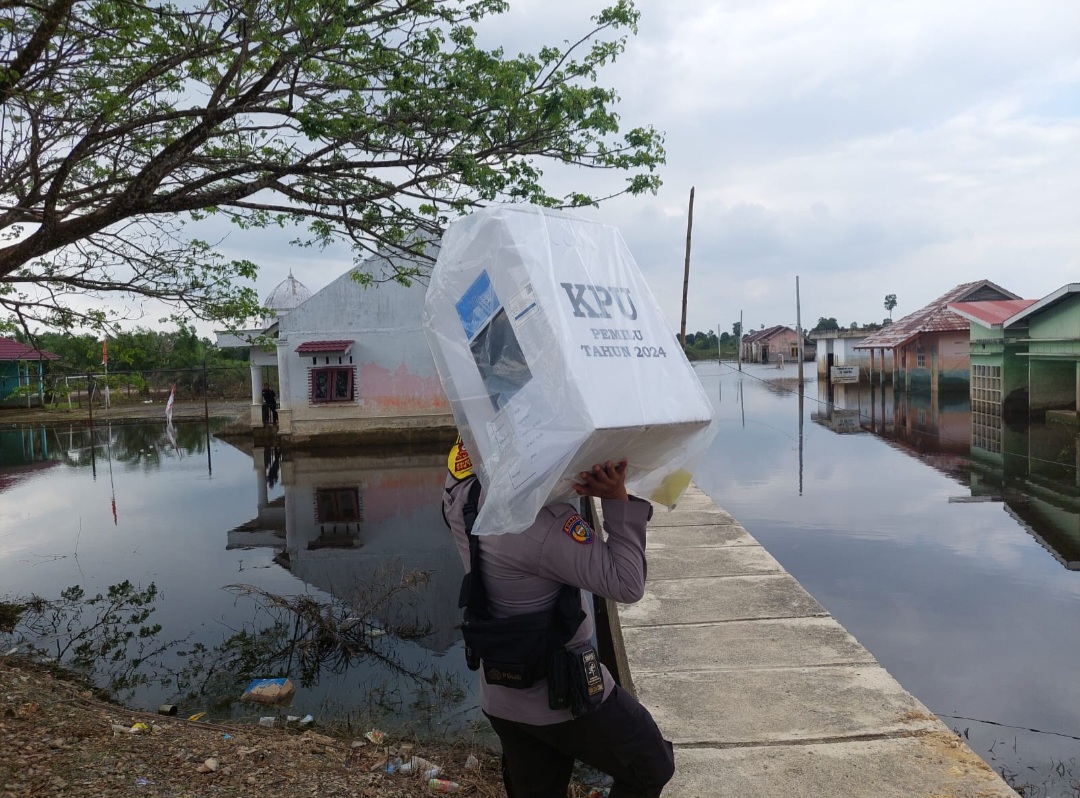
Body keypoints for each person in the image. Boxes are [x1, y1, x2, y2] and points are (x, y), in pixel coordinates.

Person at [442, 438, 675, 798]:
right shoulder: (544, 527)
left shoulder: (462, 492)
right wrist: (615, 497)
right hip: (563, 697)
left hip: (502, 694)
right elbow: (627, 584)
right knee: (651, 764)